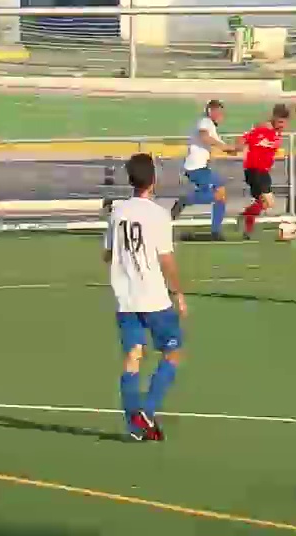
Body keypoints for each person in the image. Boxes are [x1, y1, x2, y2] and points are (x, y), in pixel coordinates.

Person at [105, 154, 186, 442]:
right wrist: (178, 292)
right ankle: (147, 412)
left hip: (125, 299)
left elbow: (108, 254)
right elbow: (166, 260)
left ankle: (134, 424)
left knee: (133, 356)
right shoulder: (158, 214)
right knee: (173, 352)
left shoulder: (117, 213)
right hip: (154, 298)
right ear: (153, 180)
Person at [171, 99, 239, 241]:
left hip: (201, 168)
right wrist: (224, 147)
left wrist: (233, 149)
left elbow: (218, 144)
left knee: (220, 194)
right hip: (196, 167)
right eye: (219, 113)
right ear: (211, 112)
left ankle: (215, 231)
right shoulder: (205, 122)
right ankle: (186, 200)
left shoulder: (210, 126)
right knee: (218, 195)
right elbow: (204, 136)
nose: (222, 116)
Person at [236, 104, 291, 240]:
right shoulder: (263, 129)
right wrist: (238, 146)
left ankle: (247, 227)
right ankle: (244, 217)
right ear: (274, 118)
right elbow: (244, 138)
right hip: (255, 170)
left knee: (260, 202)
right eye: (280, 121)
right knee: (268, 202)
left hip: (261, 170)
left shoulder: (276, 131)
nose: (282, 125)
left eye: (284, 122)